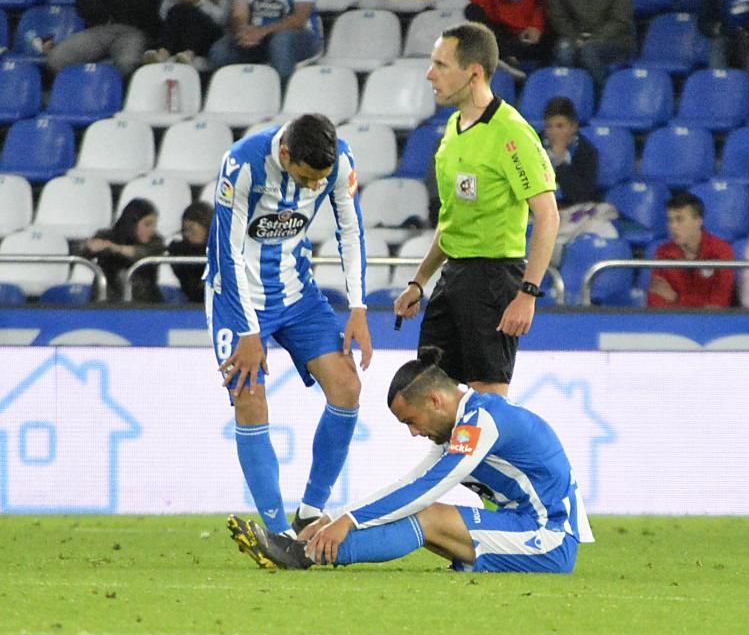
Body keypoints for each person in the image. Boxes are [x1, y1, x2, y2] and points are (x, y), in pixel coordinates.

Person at [225, 345, 593, 573]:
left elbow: (426, 491)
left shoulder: (482, 423)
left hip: (551, 539)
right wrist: (335, 519)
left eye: (411, 422)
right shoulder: (463, 423)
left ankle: (302, 555)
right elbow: (410, 485)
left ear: (435, 400)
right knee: (422, 518)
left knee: (429, 517)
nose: (414, 433)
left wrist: (348, 522)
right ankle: (307, 548)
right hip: (523, 523)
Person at [206, 113, 374, 538]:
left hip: (297, 294)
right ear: (284, 155)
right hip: (237, 297)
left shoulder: (339, 162)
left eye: (320, 179)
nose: (314, 187)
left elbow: (350, 230)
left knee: (347, 387)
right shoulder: (243, 164)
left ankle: (311, 511)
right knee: (249, 400)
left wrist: (358, 307)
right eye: (305, 179)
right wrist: (247, 331)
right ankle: (279, 533)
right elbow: (227, 252)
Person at [392, 22, 559, 398]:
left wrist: (528, 293)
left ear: (473, 73)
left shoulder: (511, 132)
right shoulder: (454, 127)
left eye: (440, 64)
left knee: (488, 402)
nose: (429, 73)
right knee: (432, 396)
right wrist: (419, 281)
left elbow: (548, 215)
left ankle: (497, 459)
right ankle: (450, 458)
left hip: (494, 278)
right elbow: (453, 221)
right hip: (453, 276)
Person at [208, 0, 323, 81]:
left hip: (300, 37)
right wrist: (243, 31)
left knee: (280, 43)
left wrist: (262, 31)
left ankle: (283, 93)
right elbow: (239, 14)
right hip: (259, 38)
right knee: (220, 52)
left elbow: (299, 19)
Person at [48, 0, 163, 77]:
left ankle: (118, 96)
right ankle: (83, 93)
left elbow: (145, 6)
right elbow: (83, 4)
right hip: (99, 28)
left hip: (134, 30)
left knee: (128, 63)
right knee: (57, 57)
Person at [646, 191, 736, 308]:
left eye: (679, 219)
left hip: (710, 324)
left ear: (699, 221)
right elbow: (655, 301)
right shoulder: (663, 252)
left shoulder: (721, 251)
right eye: (670, 220)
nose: (672, 226)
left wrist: (676, 298)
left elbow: (718, 305)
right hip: (672, 323)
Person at [546, 0, 636, 86]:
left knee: (589, 52)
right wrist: (575, 37)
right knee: (564, 51)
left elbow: (620, 19)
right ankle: (570, 99)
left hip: (614, 39)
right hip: (574, 37)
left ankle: (602, 98)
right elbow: (557, 16)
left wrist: (595, 38)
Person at [79, 197, 166, 303]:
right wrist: (89, 246)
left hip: (145, 305)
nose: (151, 230)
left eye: (154, 225)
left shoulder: (156, 242)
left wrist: (114, 248)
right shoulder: (106, 236)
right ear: (132, 222)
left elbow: (142, 253)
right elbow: (81, 254)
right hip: (106, 303)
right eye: (147, 225)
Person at [464, 0, 548, 79]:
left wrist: (536, 26)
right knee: (473, 12)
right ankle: (504, 62)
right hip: (503, 31)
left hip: (533, 31)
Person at [143, 0, 227, 70]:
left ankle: (188, 53)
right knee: (178, 9)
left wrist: (199, 0)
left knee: (193, 12)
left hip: (210, 34)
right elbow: (163, 15)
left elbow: (222, 19)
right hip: (180, 32)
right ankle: (163, 53)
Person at [541, 97, 598, 208]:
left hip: (573, 210)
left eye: (560, 126)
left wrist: (560, 162)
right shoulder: (535, 146)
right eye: (549, 127)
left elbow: (582, 196)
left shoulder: (586, 151)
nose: (554, 133)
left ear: (573, 127)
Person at [168, 200, 213, 303]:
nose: (188, 234)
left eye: (192, 229)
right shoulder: (180, 250)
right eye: (185, 230)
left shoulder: (220, 249)